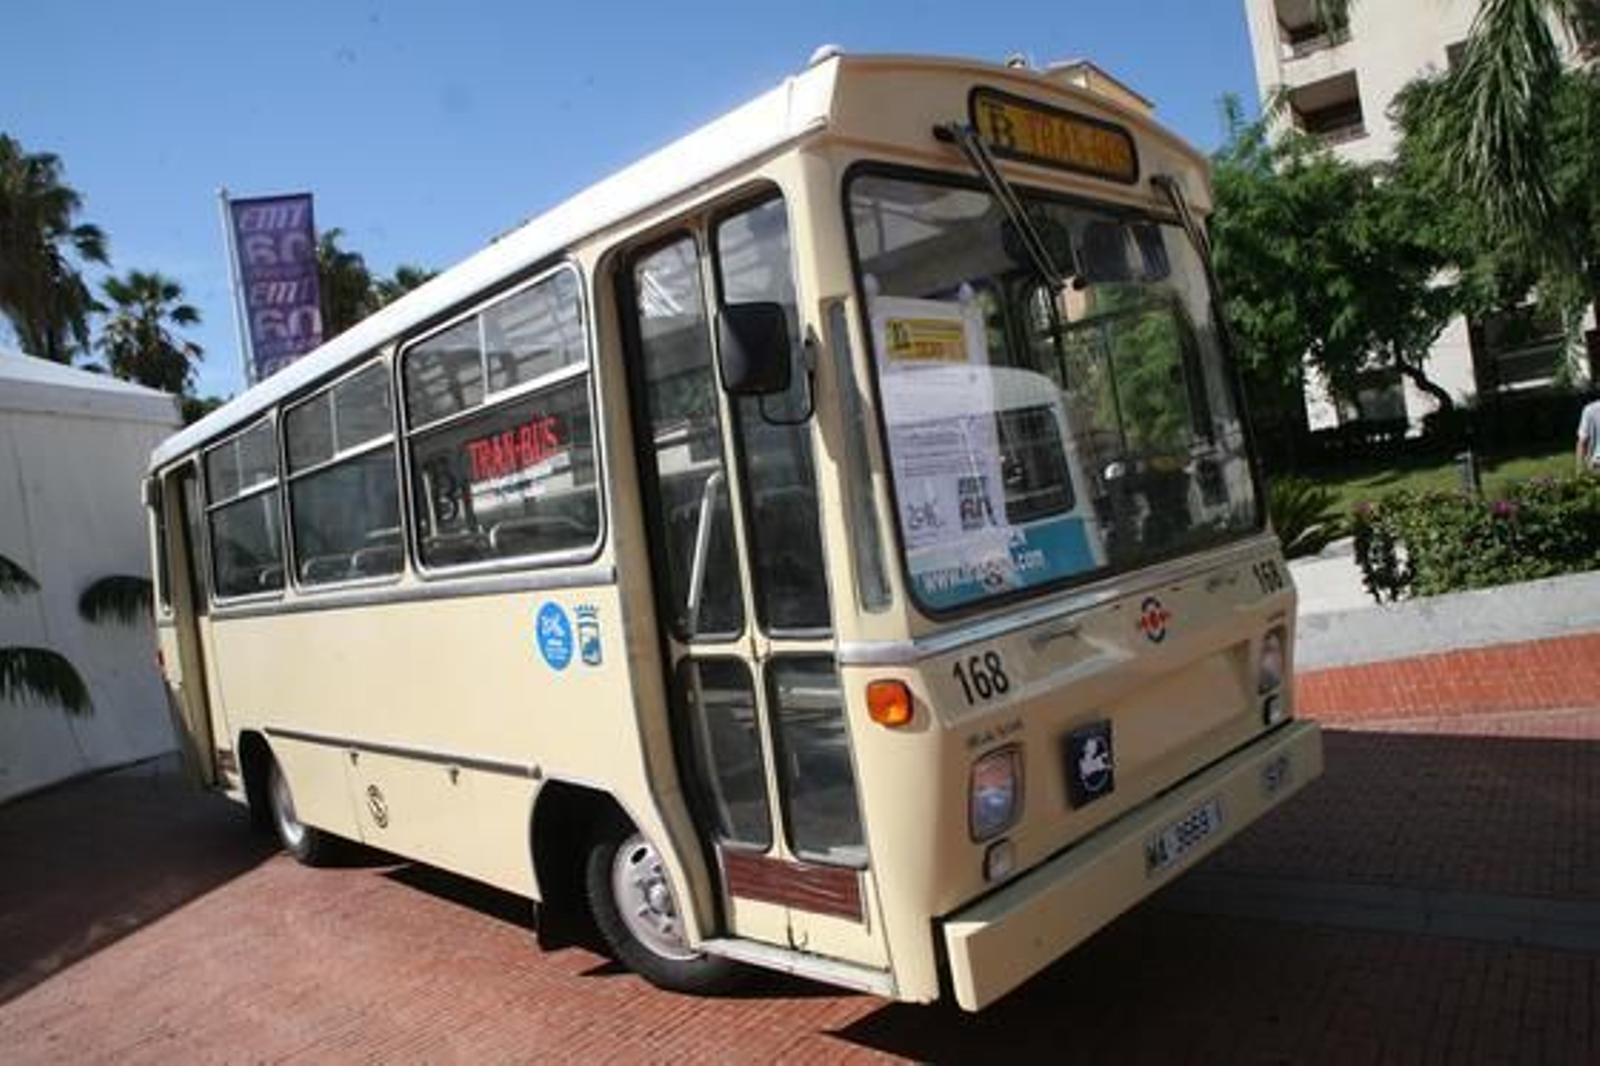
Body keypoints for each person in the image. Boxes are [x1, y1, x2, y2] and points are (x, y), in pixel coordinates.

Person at [1580, 395, 1600, 473]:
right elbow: (1582, 442)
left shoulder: (1590, 409)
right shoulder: (1590, 410)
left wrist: (1580, 471)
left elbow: (1582, 441)